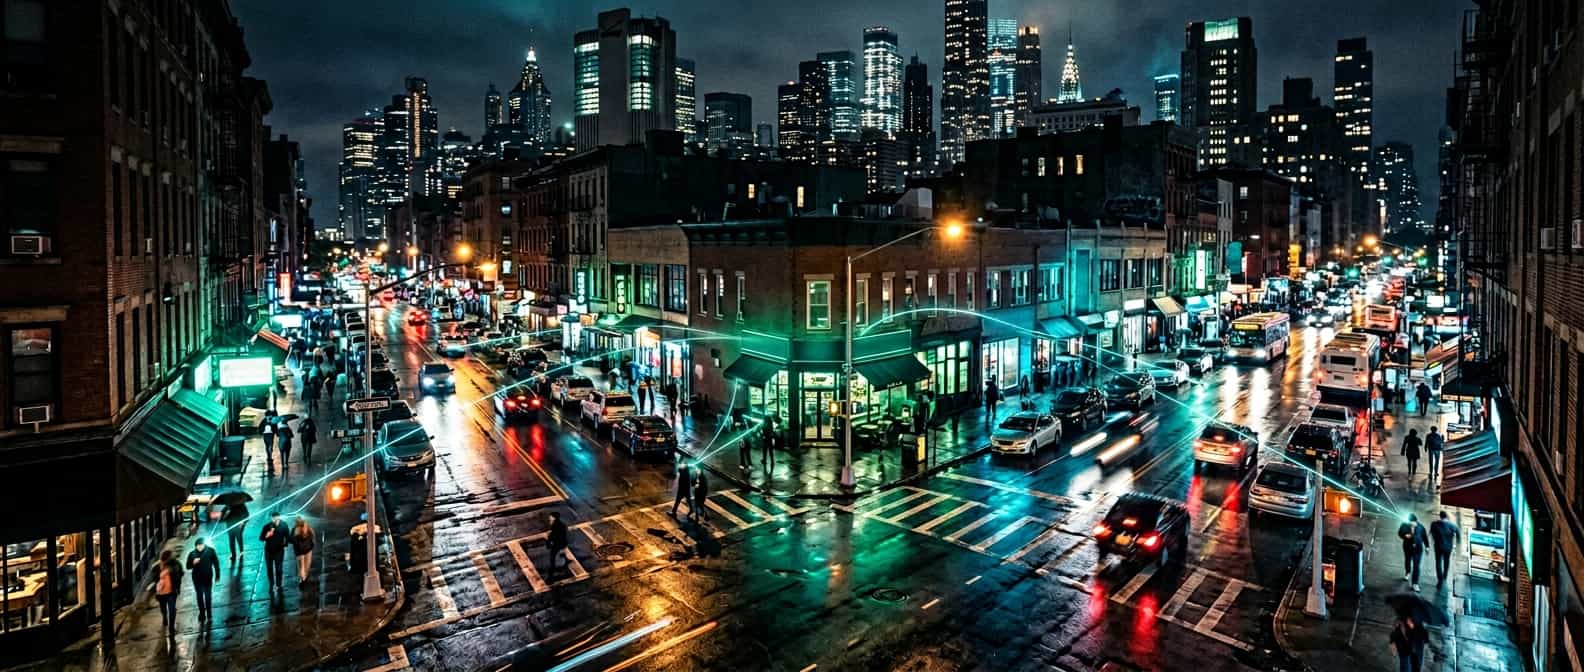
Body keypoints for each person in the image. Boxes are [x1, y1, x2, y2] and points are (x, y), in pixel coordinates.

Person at [186, 538, 220, 624]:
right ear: (195, 546)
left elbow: (216, 563)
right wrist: (193, 563)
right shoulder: (192, 554)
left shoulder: (210, 551)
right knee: (200, 597)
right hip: (197, 579)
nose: (199, 547)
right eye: (198, 546)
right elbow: (188, 566)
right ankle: (202, 613)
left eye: (201, 545)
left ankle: (209, 613)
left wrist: (217, 575)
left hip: (207, 578)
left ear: (204, 545)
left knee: (208, 596)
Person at [259, 511, 290, 593]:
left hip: (279, 551)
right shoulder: (267, 526)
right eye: (273, 518)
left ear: (279, 517)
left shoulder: (284, 525)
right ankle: (271, 584)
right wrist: (267, 535)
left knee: (279, 569)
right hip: (268, 551)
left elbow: (287, 536)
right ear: (271, 518)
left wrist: (285, 544)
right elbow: (261, 538)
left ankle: (279, 584)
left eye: (276, 518)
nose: (274, 520)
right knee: (269, 569)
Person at [152, 550, 182, 632]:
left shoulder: (176, 564)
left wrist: (177, 584)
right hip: (161, 593)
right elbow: (154, 578)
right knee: (163, 608)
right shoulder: (158, 566)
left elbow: (181, 572)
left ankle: (171, 627)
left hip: (172, 592)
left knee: (172, 609)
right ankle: (165, 617)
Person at [1398, 514, 1429, 591]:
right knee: (1407, 560)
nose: (1410, 524)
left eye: (1412, 522)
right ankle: (1407, 572)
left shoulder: (1421, 527)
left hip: (1418, 549)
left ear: (1415, 521)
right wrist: (1405, 536)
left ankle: (1415, 583)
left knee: (1416, 566)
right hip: (1407, 547)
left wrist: (1427, 546)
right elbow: (1400, 533)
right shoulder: (1404, 525)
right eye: (1409, 522)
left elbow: (1425, 537)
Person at [1430, 511, 1461, 588]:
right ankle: (1445, 575)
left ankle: (1440, 579)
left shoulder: (1434, 524)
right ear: (1446, 516)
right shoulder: (1452, 525)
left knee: (1438, 562)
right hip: (1448, 547)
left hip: (1438, 546)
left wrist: (1435, 539)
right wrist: (1457, 543)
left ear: (1440, 516)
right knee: (1446, 561)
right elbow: (1458, 534)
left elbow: (1432, 533)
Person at [290, 518, 315, 586]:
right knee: (307, 565)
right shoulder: (308, 527)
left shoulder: (295, 529)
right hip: (308, 549)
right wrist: (311, 545)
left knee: (301, 566)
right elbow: (313, 536)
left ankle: (302, 579)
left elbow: (291, 540)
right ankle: (305, 577)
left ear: (296, 523)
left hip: (299, 551)